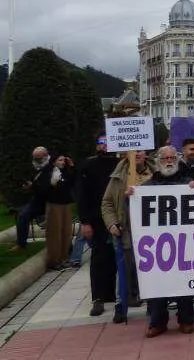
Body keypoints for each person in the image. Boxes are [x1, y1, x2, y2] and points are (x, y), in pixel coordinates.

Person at [135, 146, 194, 338]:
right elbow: (135, 212)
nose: (169, 161)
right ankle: (157, 322)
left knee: (184, 283)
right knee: (156, 284)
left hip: (183, 242)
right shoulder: (147, 187)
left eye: (172, 158)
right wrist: (132, 196)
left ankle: (186, 320)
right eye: (165, 158)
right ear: (158, 162)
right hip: (156, 245)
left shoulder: (188, 183)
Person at [101, 150, 154, 323]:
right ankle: (121, 306)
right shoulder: (118, 176)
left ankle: (154, 306)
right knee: (124, 271)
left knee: (152, 270)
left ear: (146, 153)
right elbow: (107, 202)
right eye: (133, 151)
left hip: (152, 233)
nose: (137, 154)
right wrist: (111, 223)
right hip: (126, 231)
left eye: (140, 150)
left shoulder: (156, 173)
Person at [74, 133, 120, 316]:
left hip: (118, 219)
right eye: (102, 142)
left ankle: (113, 294)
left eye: (108, 142)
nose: (105, 145)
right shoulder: (88, 165)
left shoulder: (121, 164)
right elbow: (82, 196)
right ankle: (98, 297)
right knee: (99, 258)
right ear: (97, 145)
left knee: (118, 258)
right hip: (96, 220)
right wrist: (85, 222)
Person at [45, 154, 75, 270]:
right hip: (55, 205)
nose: (62, 162)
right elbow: (46, 188)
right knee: (55, 233)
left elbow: (72, 180)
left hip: (66, 204)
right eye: (60, 160)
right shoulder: (51, 173)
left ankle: (64, 258)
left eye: (63, 160)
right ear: (54, 161)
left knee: (66, 232)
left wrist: (72, 166)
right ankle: (54, 260)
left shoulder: (65, 172)